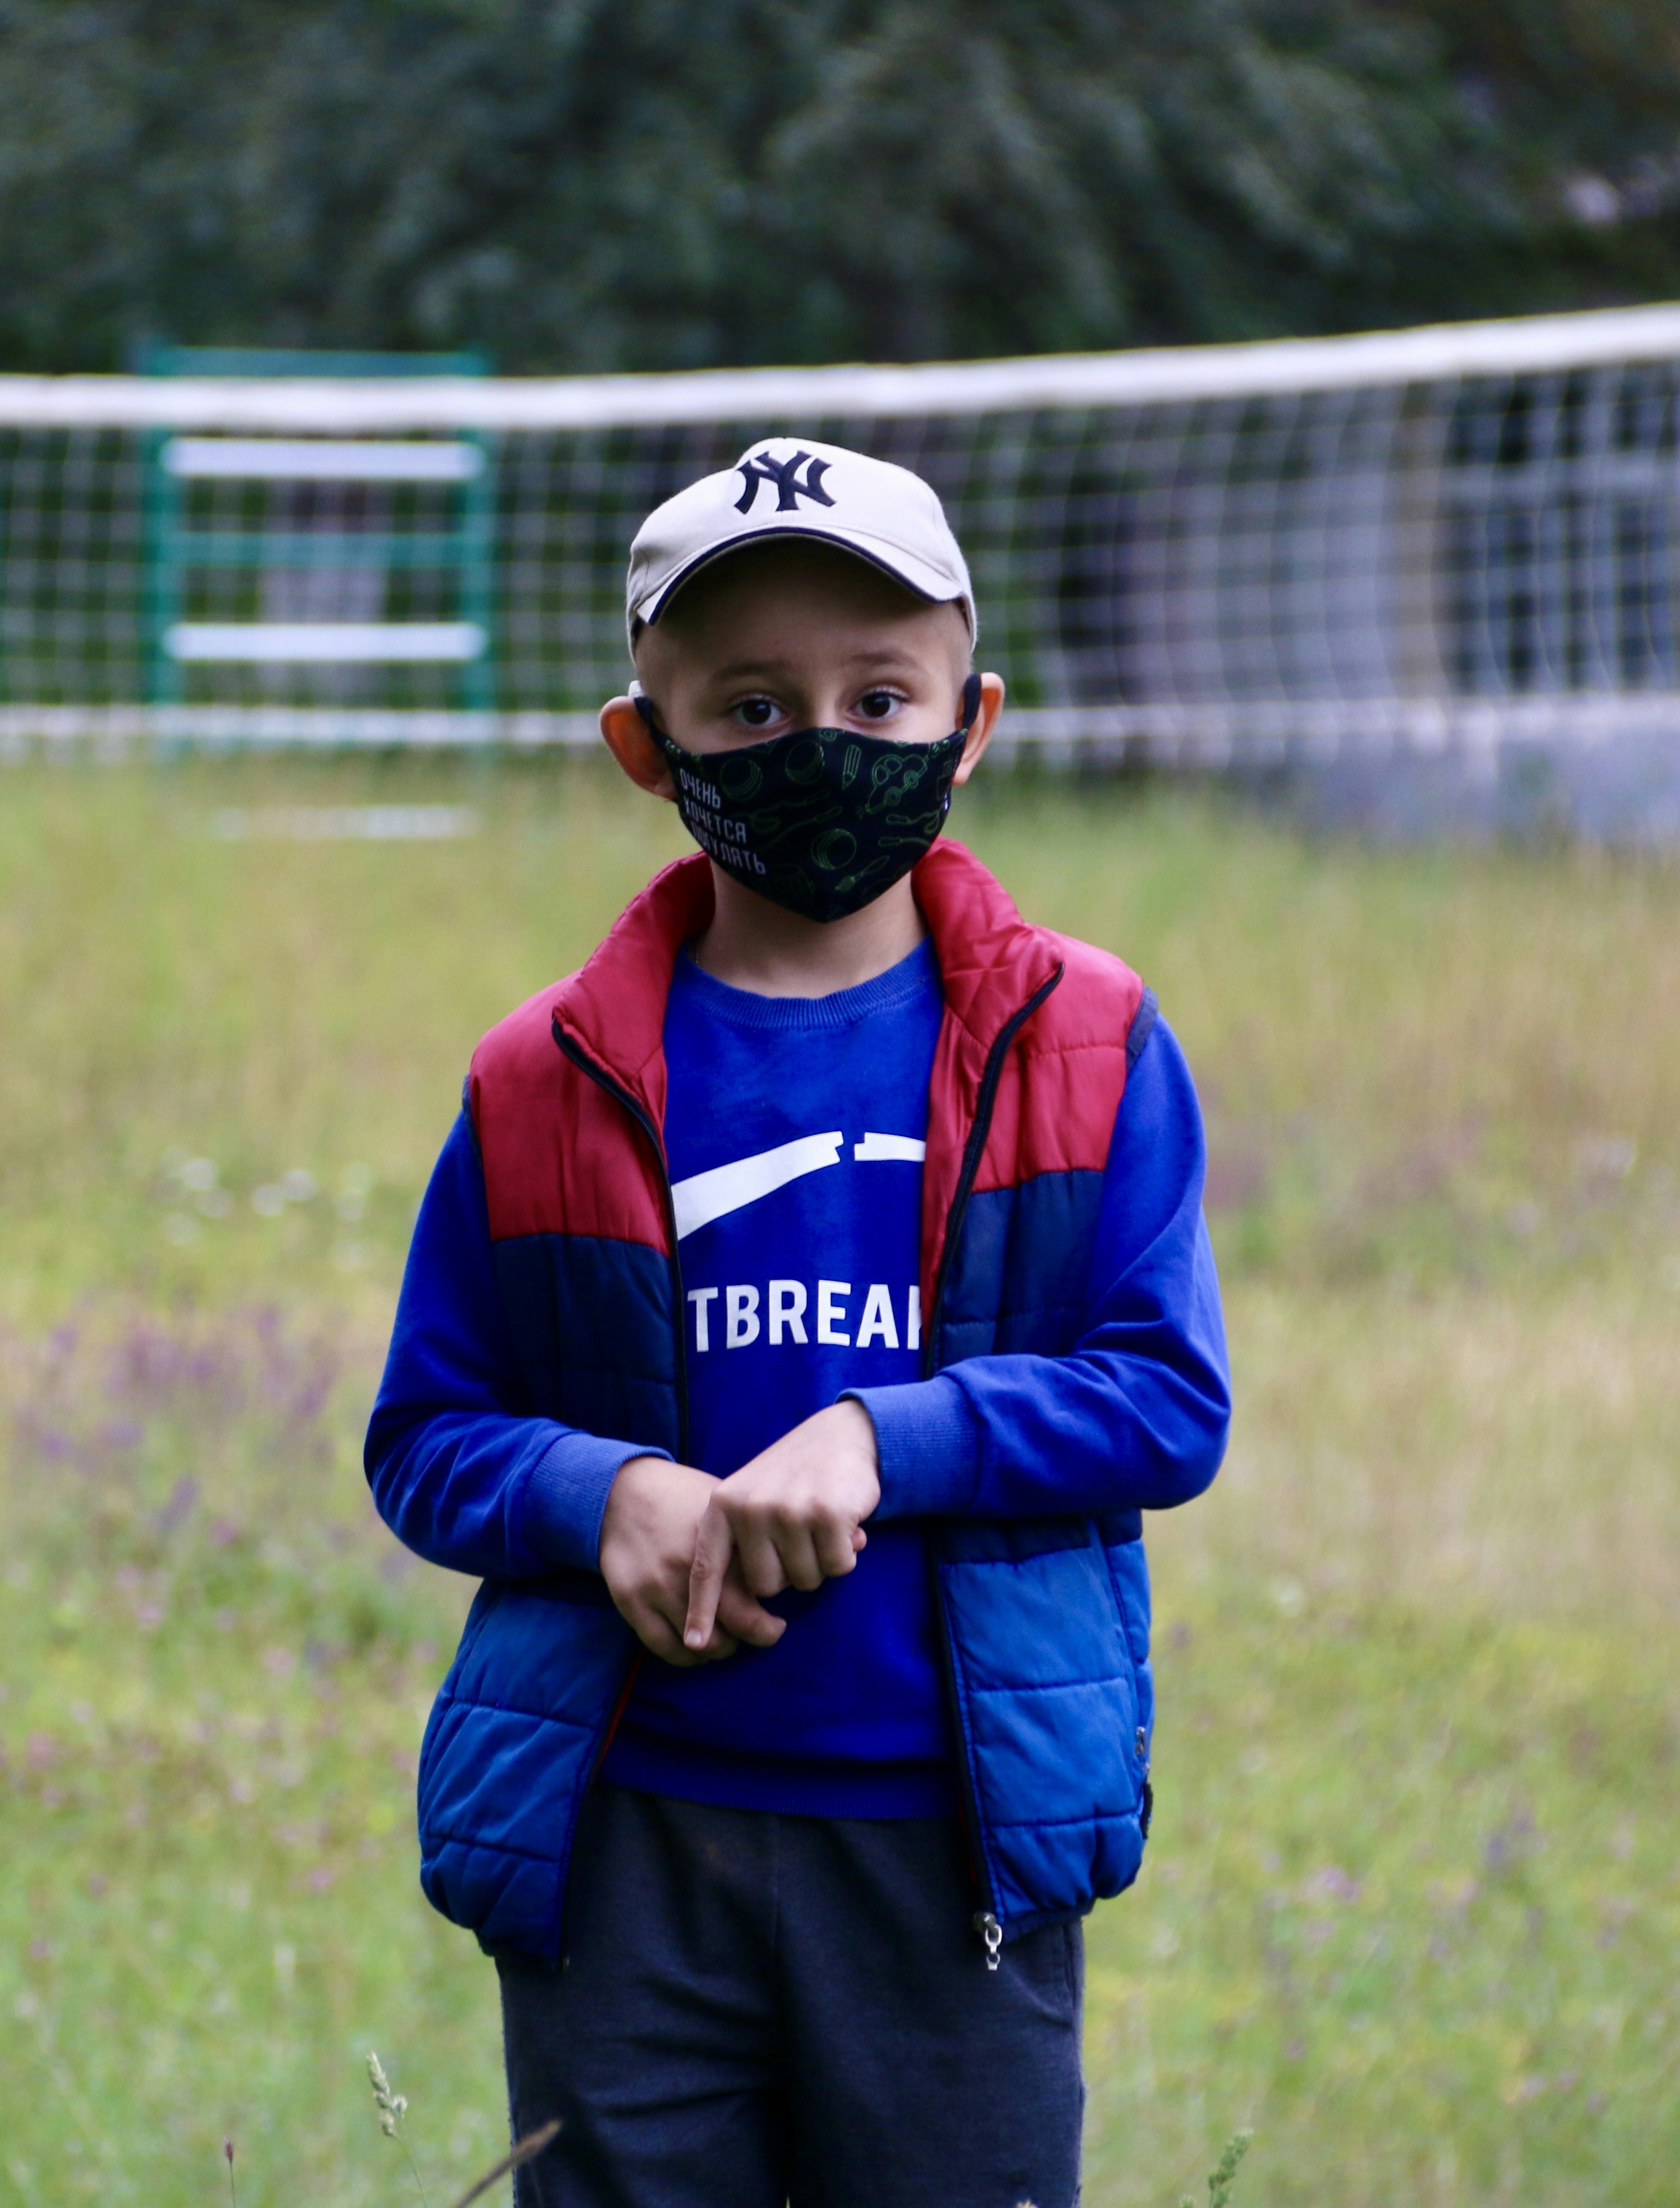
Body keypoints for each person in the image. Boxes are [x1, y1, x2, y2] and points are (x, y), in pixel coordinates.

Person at [363, 440, 1230, 2208]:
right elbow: (427, 1436)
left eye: (877, 695)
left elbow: (1161, 1398)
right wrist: (603, 1494)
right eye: (749, 705)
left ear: (969, 723)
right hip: (625, 1846)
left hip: (948, 1843)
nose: (821, 743)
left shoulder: (1089, 1043)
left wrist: (879, 1438)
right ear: (646, 746)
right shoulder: (544, 1078)